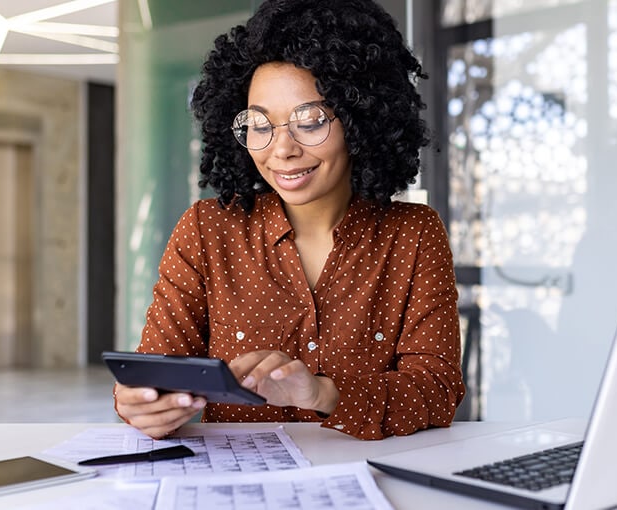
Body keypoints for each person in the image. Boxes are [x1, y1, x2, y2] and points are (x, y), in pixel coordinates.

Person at [114, 0, 465, 441]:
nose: (281, 149)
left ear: (362, 119)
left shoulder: (413, 235)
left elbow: (436, 389)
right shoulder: (206, 232)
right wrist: (143, 403)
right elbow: (156, 373)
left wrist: (322, 393)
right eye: (260, 124)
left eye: (310, 120)